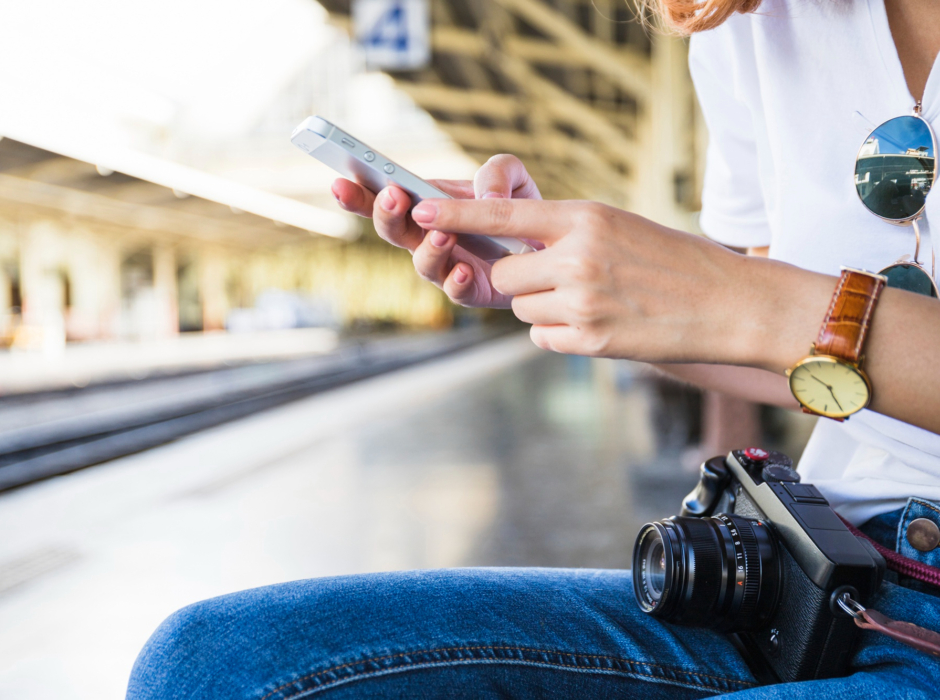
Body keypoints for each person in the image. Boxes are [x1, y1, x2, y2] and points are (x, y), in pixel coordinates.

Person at [126, 0, 940, 696]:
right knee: (214, 666)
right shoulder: (742, 18)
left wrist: (745, 301)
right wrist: (555, 278)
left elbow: (767, 315)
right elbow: (806, 365)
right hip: (827, 575)